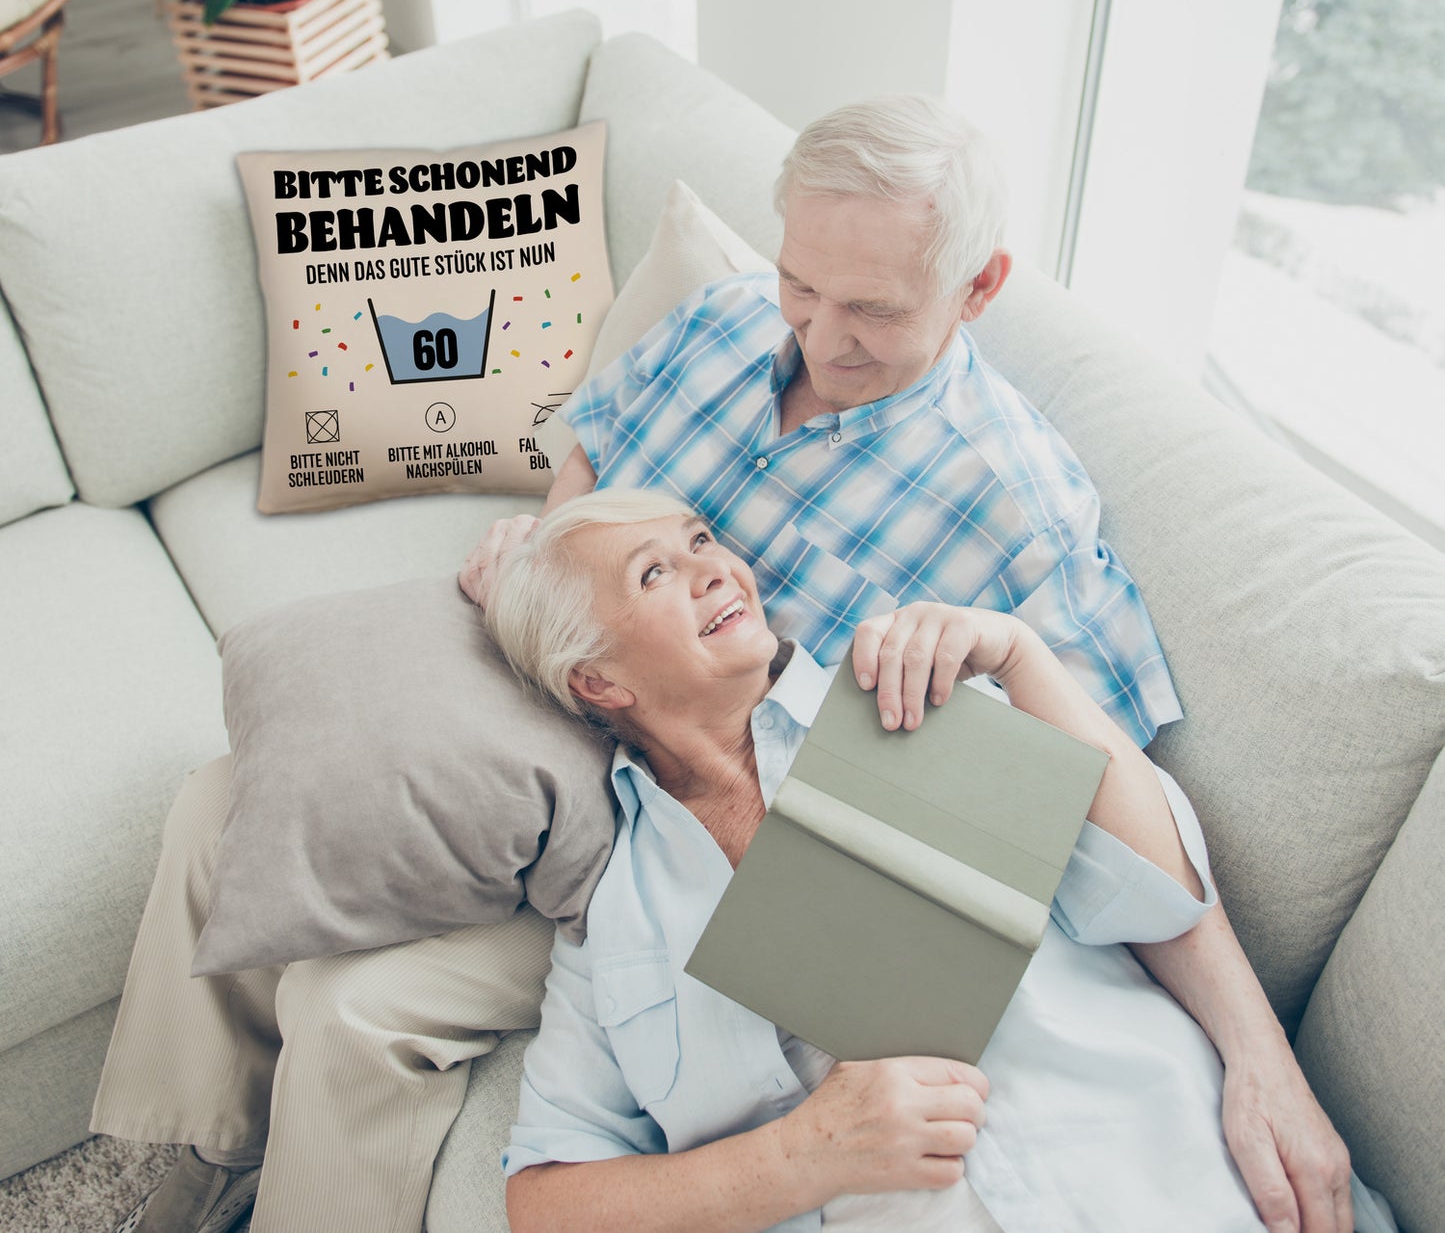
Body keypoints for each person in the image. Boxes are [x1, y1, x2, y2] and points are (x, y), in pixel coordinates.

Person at [94, 97, 1348, 1233]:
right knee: (229, 795)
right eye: (804, 283)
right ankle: (192, 1151)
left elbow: (1103, 809)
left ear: (976, 289)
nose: (818, 333)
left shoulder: (1016, 513)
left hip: (695, 802)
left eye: (871, 308)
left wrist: (1260, 1055)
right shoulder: (725, 320)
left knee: (354, 1006)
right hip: (583, 679)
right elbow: (594, 454)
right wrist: (546, 553)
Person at [486, 488, 1378, 1233]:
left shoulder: (908, 694)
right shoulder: (615, 920)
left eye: (700, 540)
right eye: (655, 573)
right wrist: (800, 1155)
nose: (715, 567)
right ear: (597, 681)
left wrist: (1021, 657)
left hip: (1174, 1176)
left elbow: (1158, 892)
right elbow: (545, 1199)